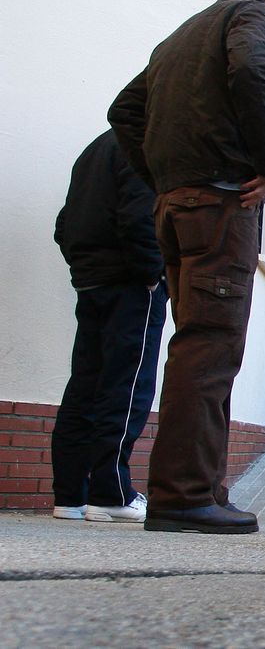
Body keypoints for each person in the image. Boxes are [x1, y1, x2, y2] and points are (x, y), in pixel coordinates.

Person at [107, 0, 265, 535]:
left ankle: (199, 490)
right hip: (219, 206)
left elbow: (124, 110)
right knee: (211, 347)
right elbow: (254, 72)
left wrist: (166, 177)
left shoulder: (183, 35)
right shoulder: (254, 17)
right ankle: (185, 496)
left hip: (176, 206)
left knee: (195, 344)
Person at [50, 131, 168, 524]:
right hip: (129, 284)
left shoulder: (95, 149)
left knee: (84, 387)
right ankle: (111, 494)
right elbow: (137, 217)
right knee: (126, 386)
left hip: (92, 281)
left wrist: (84, 266)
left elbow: (64, 223)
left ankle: (70, 497)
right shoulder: (142, 143)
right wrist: (153, 274)